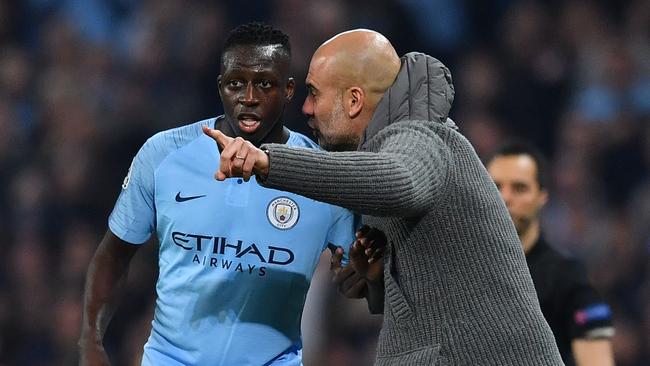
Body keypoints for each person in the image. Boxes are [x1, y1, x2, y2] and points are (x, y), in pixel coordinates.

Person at [203, 29, 564, 365]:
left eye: (314, 93)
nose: (306, 109)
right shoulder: (390, 149)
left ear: (354, 100)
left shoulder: (420, 137)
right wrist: (377, 280)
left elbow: (400, 183)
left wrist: (269, 162)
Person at [78, 22, 363, 366]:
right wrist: (91, 341)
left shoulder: (324, 175)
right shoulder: (164, 154)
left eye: (265, 84)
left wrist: (361, 276)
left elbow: (355, 280)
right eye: (235, 83)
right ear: (220, 87)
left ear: (288, 90)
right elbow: (114, 253)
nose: (249, 97)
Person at [486, 142, 615, 366]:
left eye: (519, 188)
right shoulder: (461, 271)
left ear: (542, 196)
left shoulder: (569, 277)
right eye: (495, 187)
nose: (505, 198)